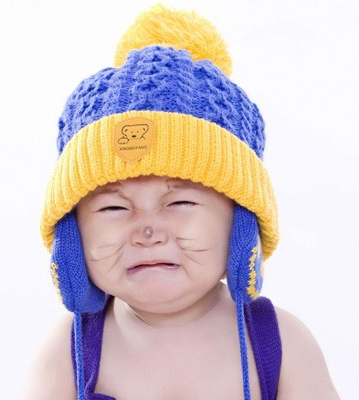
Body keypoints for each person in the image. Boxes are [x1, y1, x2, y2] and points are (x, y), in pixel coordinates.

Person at [20, 4, 340, 400]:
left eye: (180, 203)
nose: (148, 231)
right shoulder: (67, 353)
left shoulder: (280, 343)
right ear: (72, 236)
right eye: (113, 208)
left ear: (241, 223)